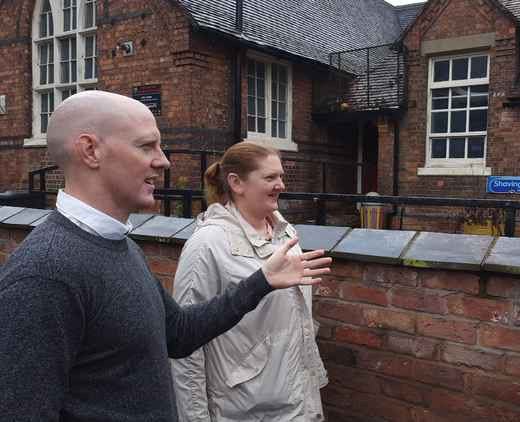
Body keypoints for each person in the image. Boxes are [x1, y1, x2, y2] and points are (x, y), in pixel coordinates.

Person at [0, 90, 331, 422]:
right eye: (146, 146)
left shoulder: (122, 245)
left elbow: (179, 333)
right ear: (90, 151)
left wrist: (262, 281)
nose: (164, 160)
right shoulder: (45, 273)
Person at [171, 142, 327, 421]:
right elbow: (185, 345)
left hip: (297, 404)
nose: (280, 184)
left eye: (281, 176)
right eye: (269, 178)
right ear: (236, 183)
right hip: (241, 410)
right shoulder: (208, 244)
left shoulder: (284, 232)